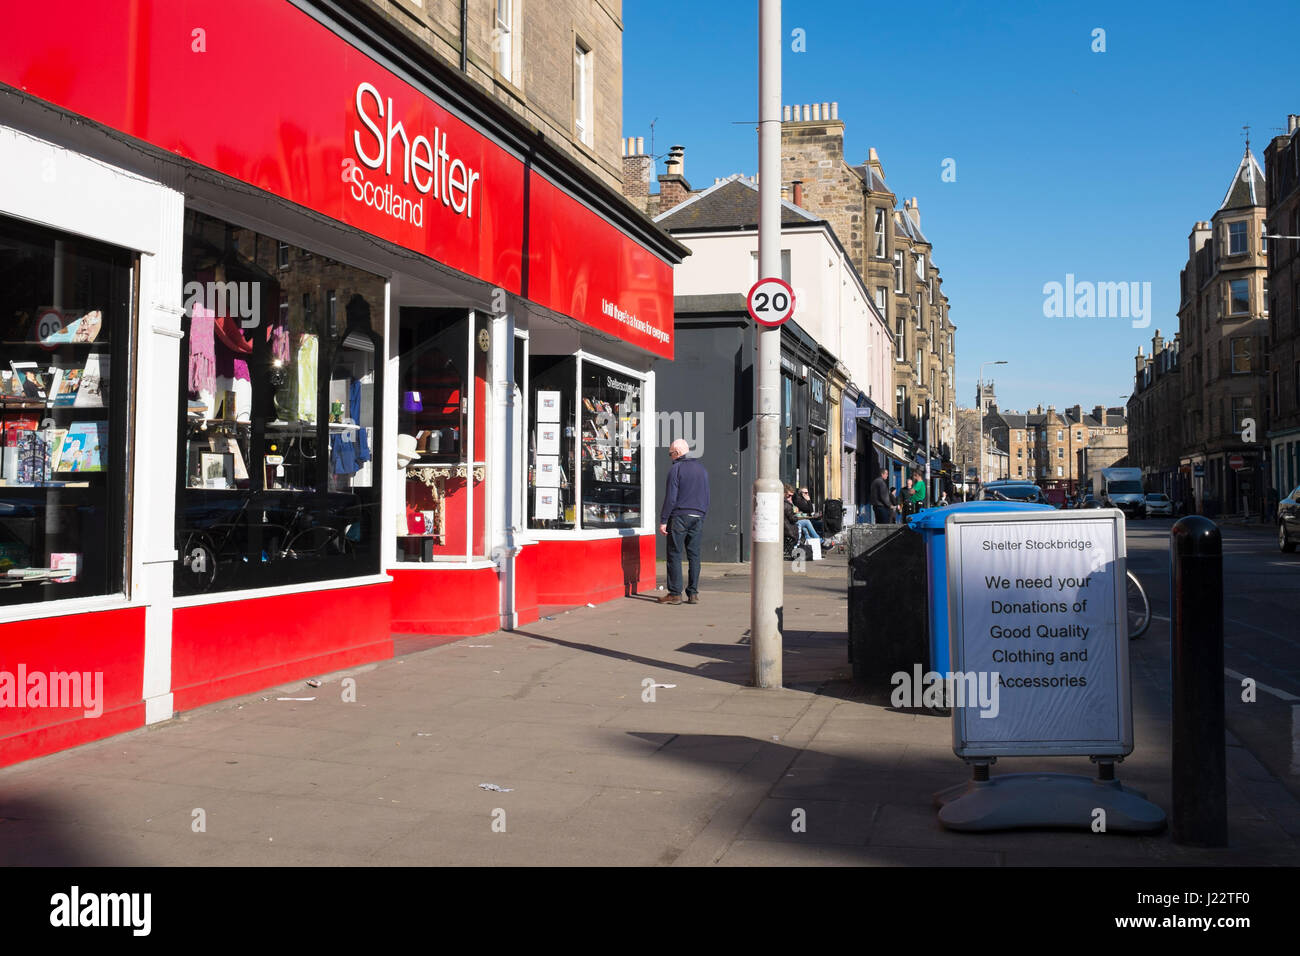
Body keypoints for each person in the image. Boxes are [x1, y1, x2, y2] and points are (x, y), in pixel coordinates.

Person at [658, 438, 708, 605]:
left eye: (670, 454)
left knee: (674, 553)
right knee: (694, 555)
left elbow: (671, 498)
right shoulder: (701, 469)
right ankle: (693, 593)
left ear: (678, 453)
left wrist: (664, 519)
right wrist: (702, 515)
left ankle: (675, 593)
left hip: (679, 516)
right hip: (698, 516)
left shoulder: (676, 469)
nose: (670, 457)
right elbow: (706, 495)